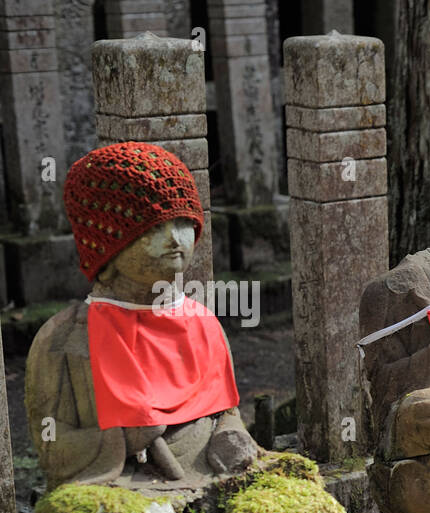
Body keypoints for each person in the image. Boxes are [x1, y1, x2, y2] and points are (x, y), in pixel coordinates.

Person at [26, 141, 257, 488]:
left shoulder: (203, 322)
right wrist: (119, 442)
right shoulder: (63, 337)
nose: (175, 240)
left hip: (207, 476)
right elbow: (50, 443)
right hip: (120, 487)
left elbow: (225, 412)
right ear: (105, 247)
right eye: (153, 228)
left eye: (183, 223)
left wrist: (230, 435)